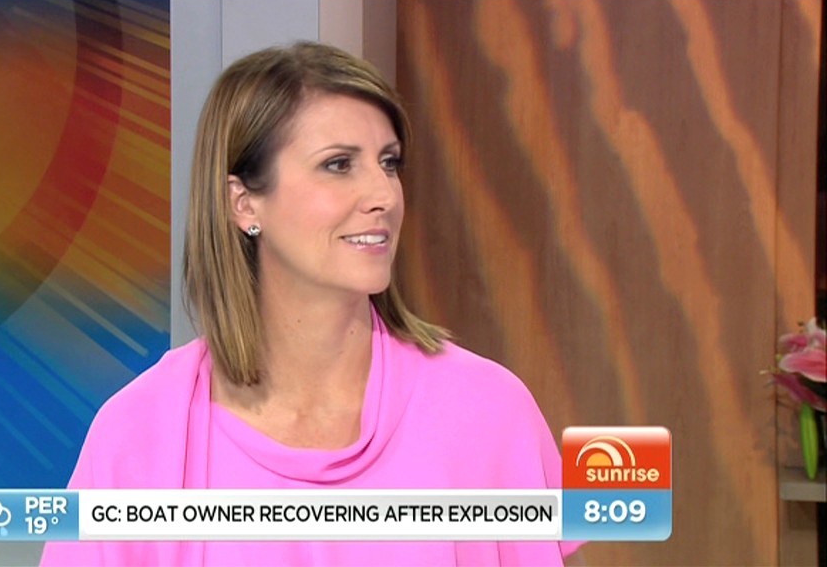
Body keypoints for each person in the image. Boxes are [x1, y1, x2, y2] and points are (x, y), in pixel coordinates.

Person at [40, 40, 583, 566]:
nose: (384, 195)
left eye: (389, 163)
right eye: (339, 165)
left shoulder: (489, 412)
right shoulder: (139, 435)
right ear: (243, 203)